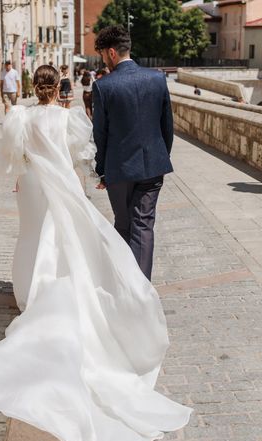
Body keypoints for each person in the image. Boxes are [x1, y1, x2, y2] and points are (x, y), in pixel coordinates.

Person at [0, 64, 191, 441]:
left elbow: (11, 157)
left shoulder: (20, 115)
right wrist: (80, 176)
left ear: (35, 87)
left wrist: (23, 170)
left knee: (32, 235)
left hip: (32, 183)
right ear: (59, 88)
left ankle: (29, 292)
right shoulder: (68, 118)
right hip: (62, 182)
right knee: (64, 238)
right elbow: (82, 157)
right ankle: (59, 283)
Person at [92, 25, 173, 281]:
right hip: (153, 165)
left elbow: (101, 134)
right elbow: (166, 126)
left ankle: (126, 284)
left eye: (103, 55)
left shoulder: (103, 86)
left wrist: (102, 169)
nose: (103, 60)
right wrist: (160, 158)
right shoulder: (157, 78)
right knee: (144, 225)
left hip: (120, 169)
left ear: (112, 52)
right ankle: (142, 288)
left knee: (124, 224)